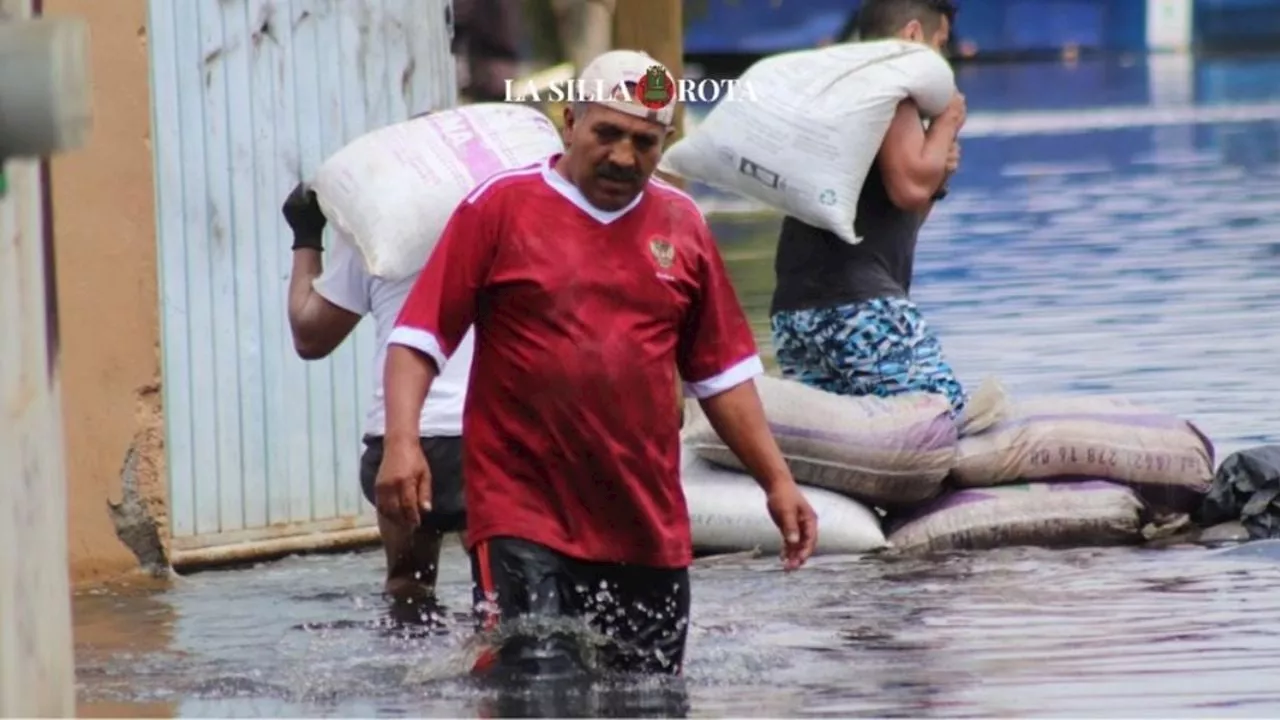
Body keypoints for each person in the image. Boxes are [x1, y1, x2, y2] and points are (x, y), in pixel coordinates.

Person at [375, 49, 819, 679]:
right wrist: (402, 443)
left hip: (645, 524)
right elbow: (417, 339)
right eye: (606, 133)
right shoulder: (500, 209)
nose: (622, 156)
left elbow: (721, 378)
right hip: (521, 513)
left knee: (649, 697)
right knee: (537, 690)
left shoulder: (683, 226)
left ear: (664, 144)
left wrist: (778, 482)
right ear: (569, 123)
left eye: (644, 141)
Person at [282, 182, 476, 614]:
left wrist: (306, 238)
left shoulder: (377, 237)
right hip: (485, 442)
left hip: (400, 443)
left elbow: (309, 336)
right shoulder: (505, 225)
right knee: (503, 594)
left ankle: (411, 679)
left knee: (408, 588)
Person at [769, 0, 969, 418]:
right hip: (856, 308)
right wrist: (949, 119)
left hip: (795, 313)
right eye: (942, 44)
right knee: (941, 415)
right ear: (913, 35)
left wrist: (940, 176)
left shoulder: (842, 89)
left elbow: (902, 219)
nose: (945, 61)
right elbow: (910, 190)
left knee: (843, 436)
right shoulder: (889, 84)